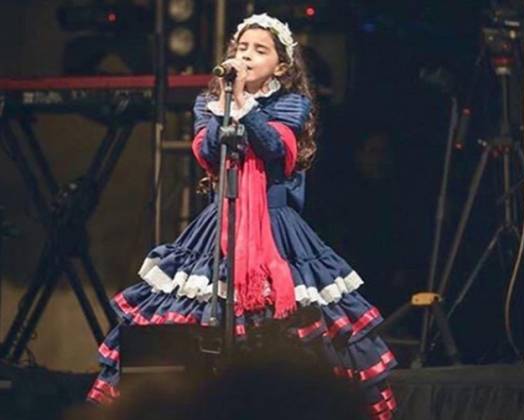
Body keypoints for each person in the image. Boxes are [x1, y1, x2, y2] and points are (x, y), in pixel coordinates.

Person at [86, 13, 397, 419]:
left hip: (276, 227)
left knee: (284, 321)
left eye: (260, 50)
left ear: (281, 66)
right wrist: (227, 104)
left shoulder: (291, 103)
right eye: (242, 47)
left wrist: (244, 105)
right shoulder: (209, 103)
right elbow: (207, 151)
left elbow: (272, 147)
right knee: (195, 313)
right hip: (220, 224)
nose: (247, 55)